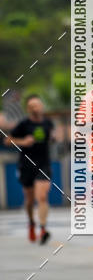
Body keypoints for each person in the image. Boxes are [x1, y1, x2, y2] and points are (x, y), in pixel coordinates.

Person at [4, 94, 54, 244]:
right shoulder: (24, 124)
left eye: (37, 105)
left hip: (43, 164)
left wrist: (53, 138)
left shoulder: (48, 123)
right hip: (26, 165)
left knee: (42, 197)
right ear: (28, 109)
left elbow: (51, 137)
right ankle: (32, 222)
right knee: (30, 199)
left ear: (42, 106)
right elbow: (7, 140)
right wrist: (23, 141)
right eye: (31, 106)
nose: (35, 108)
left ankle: (43, 228)